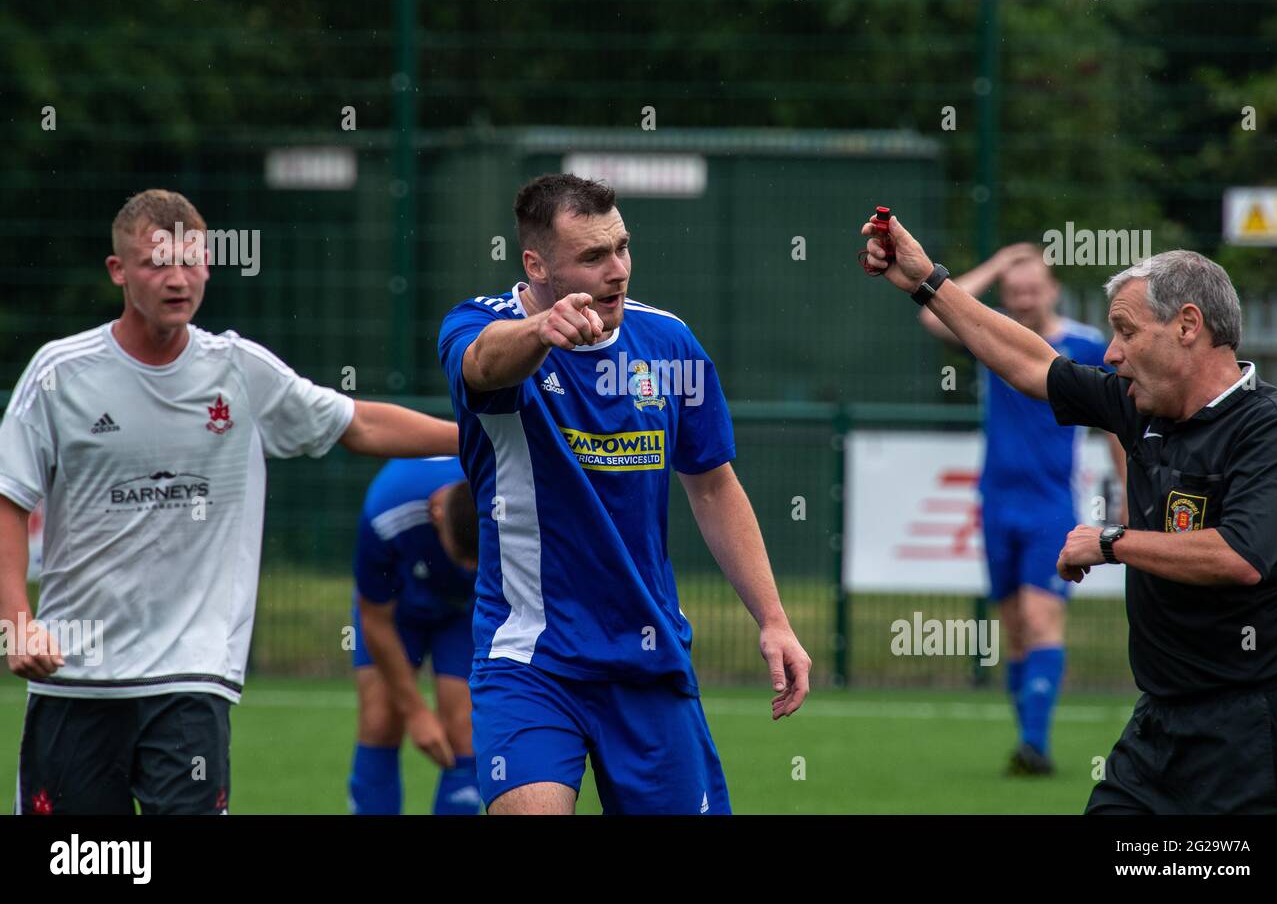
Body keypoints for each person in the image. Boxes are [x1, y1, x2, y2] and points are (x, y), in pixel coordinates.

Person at [0, 189, 459, 815]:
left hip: (192, 677)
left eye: (190, 262)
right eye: (156, 264)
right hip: (77, 679)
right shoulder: (60, 375)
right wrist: (18, 620)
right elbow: (8, 496)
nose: (176, 279)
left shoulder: (239, 371)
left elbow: (358, 425)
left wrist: (480, 442)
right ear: (119, 272)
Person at [861, 216, 1277, 814]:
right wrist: (926, 281)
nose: (1112, 352)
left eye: (1125, 331)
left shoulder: (1274, 430)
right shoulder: (1137, 405)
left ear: (1188, 326)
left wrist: (1112, 540)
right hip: (1159, 727)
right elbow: (1029, 364)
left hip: (1253, 733)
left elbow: (1240, 556)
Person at [437, 173, 811, 815]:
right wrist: (541, 332)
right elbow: (482, 365)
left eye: (622, 247)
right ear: (536, 264)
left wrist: (774, 620)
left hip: (648, 657)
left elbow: (715, 488)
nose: (617, 270)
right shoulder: (483, 326)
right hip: (531, 659)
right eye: (592, 257)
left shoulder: (668, 343)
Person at [916, 243, 1127, 775]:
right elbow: (932, 316)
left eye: (1033, 288)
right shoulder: (996, 342)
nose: (1024, 298)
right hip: (996, 504)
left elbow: (1115, 424)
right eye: (1014, 292)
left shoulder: (1085, 344)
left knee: (1039, 617)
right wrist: (998, 262)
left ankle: (1035, 745)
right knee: (1012, 627)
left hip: (1050, 506)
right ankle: (1027, 737)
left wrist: (1130, 489)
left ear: (1052, 289)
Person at [348, 457, 480, 815]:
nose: (467, 568)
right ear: (436, 512)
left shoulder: (500, 490)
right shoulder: (386, 512)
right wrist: (416, 712)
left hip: (465, 610)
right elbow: (375, 619)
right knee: (380, 720)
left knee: (465, 730)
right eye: (458, 557)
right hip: (396, 609)